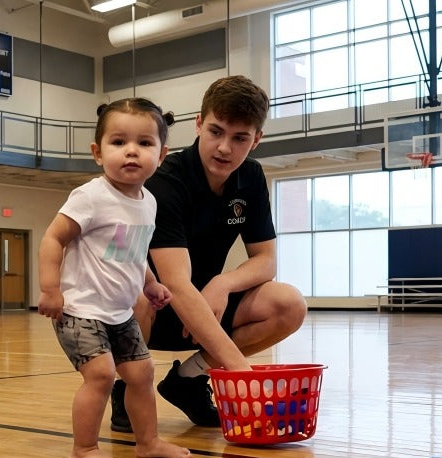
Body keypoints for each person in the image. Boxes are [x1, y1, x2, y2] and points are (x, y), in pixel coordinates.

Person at [110, 75, 307, 433]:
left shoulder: (251, 176)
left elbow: (267, 260)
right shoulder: (164, 181)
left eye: (240, 138)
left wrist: (223, 283)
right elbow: (175, 283)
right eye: (215, 131)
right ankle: (127, 389)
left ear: (257, 139)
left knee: (289, 304)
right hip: (152, 305)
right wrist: (245, 378)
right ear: (199, 124)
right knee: (135, 296)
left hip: (203, 304)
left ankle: (188, 380)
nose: (224, 148)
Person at [38, 97, 193, 458]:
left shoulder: (148, 203)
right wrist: (50, 289)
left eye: (144, 143)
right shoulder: (91, 196)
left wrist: (152, 284)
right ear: (97, 151)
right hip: (80, 310)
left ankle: (148, 441)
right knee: (102, 375)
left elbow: (131, 252)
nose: (131, 152)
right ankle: (84, 450)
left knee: (141, 374)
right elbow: (53, 239)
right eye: (118, 142)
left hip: (120, 312)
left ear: (162, 153)